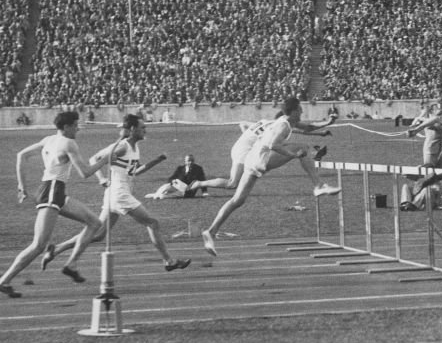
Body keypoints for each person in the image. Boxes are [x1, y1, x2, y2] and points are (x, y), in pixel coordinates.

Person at [48, 115, 192, 273]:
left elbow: (136, 171)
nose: (145, 130)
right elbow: (94, 158)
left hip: (116, 193)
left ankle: (57, 248)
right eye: (142, 127)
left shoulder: (134, 147)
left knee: (99, 234)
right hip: (119, 193)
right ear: (132, 129)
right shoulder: (122, 147)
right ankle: (169, 261)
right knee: (153, 223)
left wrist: (157, 160)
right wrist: (102, 178)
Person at [201, 98, 341, 258]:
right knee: (303, 148)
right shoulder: (283, 125)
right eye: (300, 109)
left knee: (237, 200)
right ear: (294, 111)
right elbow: (274, 145)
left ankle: (211, 232)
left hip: (251, 161)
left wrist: (328, 122)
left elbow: (309, 127)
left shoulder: (285, 121)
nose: (302, 112)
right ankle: (319, 185)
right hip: (261, 159)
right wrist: (293, 155)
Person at [0, 111, 108, 297]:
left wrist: (21, 186)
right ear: (66, 127)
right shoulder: (68, 143)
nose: (78, 128)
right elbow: (84, 173)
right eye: (75, 125)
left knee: (95, 223)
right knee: (39, 245)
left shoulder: (48, 139)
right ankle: (4, 281)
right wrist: (106, 159)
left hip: (54, 192)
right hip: (51, 193)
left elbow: (21, 156)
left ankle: (71, 264)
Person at [189, 107, 336, 193]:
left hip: (239, 148)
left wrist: (320, 133)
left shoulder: (267, 122)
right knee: (232, 183)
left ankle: (200, 184)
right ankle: (200, 184)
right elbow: (302, 130)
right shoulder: (279, 126)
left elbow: (243, 124)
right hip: (243, 153)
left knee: (237, 186)